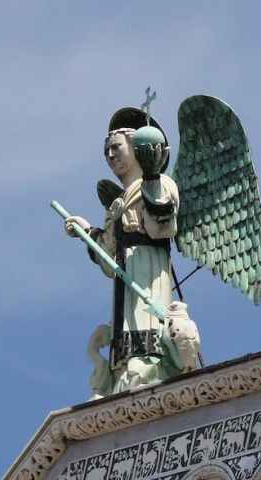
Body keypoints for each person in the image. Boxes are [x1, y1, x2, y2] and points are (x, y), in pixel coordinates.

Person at [64, 108, 180, 392]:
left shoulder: (161, 184)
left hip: (148, 265)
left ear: (137, 148)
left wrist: (152, 177)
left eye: (116, 148)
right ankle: (125, 366)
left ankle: (148, 362)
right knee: (125, 321)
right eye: (107, 151)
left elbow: (161, 229)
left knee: (145, 315)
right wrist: (87, 232)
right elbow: (107, 259)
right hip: (124, 271)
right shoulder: (116, 204)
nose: (110, 155)